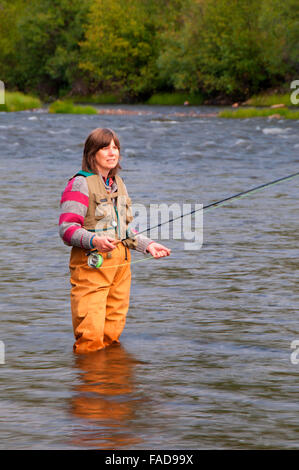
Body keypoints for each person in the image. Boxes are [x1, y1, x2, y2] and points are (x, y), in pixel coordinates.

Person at [59, 127, 171, 353]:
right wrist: (94, 240)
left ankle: (112, 382)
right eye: (105, 147)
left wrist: (147, 245)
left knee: (112, 334)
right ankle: (90, 384)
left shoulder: (118, 183)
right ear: (92, 154)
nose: (112, 152)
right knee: (90, 337)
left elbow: (123, 230)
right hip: (92, 266)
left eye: (115, 147)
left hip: (121, 266)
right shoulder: (80, 183)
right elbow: (67, 229)